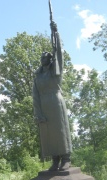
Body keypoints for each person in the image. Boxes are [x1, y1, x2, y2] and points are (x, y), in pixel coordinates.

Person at [33, 21, 72, 171]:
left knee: (60, 130)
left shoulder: (55, 72)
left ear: (50, 60)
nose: (43, 58)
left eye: (46, 57)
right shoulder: (38, 77)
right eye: (41, 57)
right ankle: (55, 160)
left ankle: (66, 158)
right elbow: (35, 96)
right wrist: (38, 113)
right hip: (44, 105)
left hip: (56, 103)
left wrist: (56, 33)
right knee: (48, 134)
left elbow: (59, 52)